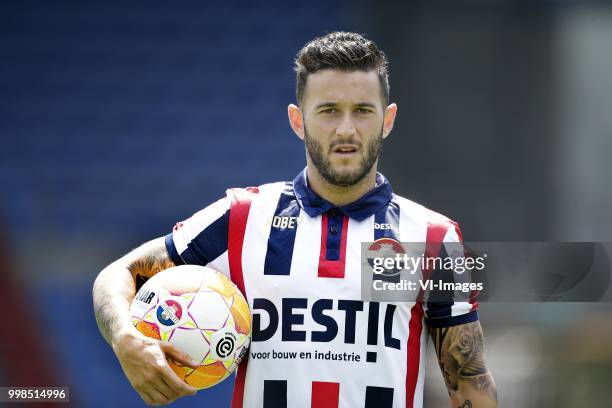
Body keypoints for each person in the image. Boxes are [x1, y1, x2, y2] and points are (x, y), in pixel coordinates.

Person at [93, 31, 497, 408]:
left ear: (387, 120)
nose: (346, 129)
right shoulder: (243, 217)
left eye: (362, 111)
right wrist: (125, 338)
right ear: (297, 119)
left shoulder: (430, 237)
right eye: (328, 111)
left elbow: (469, 382)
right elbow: (118, 274)